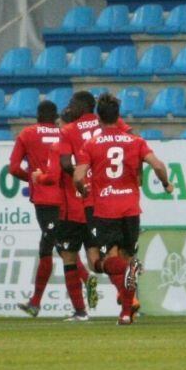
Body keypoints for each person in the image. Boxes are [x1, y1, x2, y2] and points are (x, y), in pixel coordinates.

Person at [73, 93, 172, 324]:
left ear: (99, 118)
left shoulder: (92, 144)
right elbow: (158, 165)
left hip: (106, 209)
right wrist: (166, 184)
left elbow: (78, 175)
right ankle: (126, 314)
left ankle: (131, 275)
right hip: (130, 209)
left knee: (111, 262)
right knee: (126, 260)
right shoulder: (136, 141)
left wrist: (83, 188)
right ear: (118, 117)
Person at [9, 100, 96, 320]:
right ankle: (36, 303)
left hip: (46, 201)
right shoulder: (64, 133)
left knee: (57, 248)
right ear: (55, 117)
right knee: (53, 247)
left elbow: (13, 168)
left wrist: (33, 179)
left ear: (37, 116)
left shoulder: (27, 134)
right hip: (67, 199)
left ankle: (85, 280)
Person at [58, 91, 140, 315]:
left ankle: (125, 299)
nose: (68, 108)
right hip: (120, 197)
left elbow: (65, 163)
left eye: (72, 104)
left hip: (88, 201)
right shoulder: (114, 122)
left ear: (80, 106)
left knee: (97, 258)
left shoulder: (69, 130)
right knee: (120, 251)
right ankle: (129, 299)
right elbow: (131, 141)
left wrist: (82, 175)